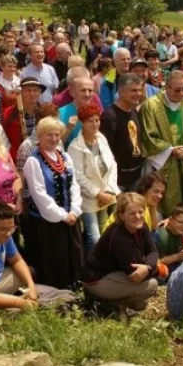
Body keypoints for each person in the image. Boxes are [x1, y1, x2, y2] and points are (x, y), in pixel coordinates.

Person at [0, 203, 71, 310]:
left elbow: (16, 260)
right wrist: (20, 303)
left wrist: (30, 285)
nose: (9, 233)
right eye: (3, 229)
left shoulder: (3, 234)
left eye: (11, 228)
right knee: (25, 301)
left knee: (29, 272)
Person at [22, 117, 83, 289]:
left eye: (57, 135)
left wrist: (75, 210)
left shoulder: (64, 157)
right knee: (54, 258)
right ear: (40, 136)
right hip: (46, 221)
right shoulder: (33, 161)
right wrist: (62, 215)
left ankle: (74, 285)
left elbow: (74, 185)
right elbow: (39, 194)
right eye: (49, 135)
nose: (54, 139)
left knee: (72, 254)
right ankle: (55, 292)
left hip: (70, 216)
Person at [81, 192, 159, 313]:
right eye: (132, 213)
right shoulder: (119, 238)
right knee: (152, 285)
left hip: (114, 272)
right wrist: (157, 269)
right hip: (96, 280)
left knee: (141, 303)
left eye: (140, 212)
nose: (138, 216)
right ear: (122, 215)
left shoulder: (141, 226)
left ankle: (111, 301)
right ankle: (105, 302)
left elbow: (153, 251)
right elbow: (134, 274)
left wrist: (148, 266)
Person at [140, 71, 183, 216]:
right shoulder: (151, 106)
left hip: (182, 161)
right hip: (159, 164)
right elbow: (148, 136)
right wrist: (170, 150)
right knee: (157, 202)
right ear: (167, 87)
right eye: (177, 90)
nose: (182, 94)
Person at [68, 103, 119, 254]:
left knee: (104, 233)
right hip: (88, 199)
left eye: (97, 120)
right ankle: (88, 268)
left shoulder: (101, 138)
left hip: (106, 195)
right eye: (90, 121)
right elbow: (78, 176)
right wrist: (98, 194)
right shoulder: (75, 147)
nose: (95, 124)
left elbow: (112, 164)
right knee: (94, 237)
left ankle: (99, 265)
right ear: (82, 123)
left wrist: (110, 190)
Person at [154, 204, 183, 277]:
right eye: (180, 222)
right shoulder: (163, 236)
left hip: (178, 263)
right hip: (164, 266)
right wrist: (178, 256)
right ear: (171, 220)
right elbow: (157, 260)